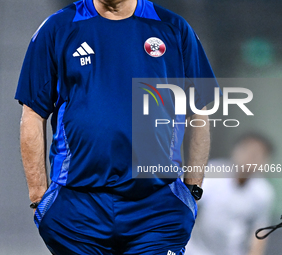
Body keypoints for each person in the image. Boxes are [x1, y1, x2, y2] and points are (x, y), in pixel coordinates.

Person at [15, 0, 219, 254]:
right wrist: (39, 199)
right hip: (77, 208)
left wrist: (192, 189)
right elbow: (33, 112)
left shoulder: (174, 28)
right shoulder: (58, 27)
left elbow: (199, 111)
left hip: (156, 208)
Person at [185, 133, 275, 255]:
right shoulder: (212, 173)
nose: (251, 158)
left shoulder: (263, 192)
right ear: (235, 151)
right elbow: (185, 204)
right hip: (195, 248)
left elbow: (258, 231)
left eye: (258, 154)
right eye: (247, 151)